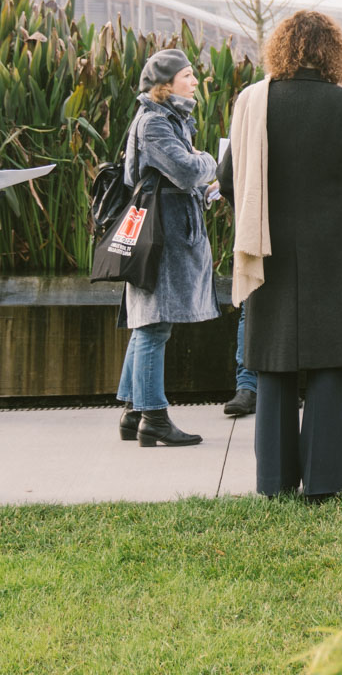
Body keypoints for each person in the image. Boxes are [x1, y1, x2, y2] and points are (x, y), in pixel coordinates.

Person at [222, 11, 342, 502]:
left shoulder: (253, 102)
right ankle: (324, 481)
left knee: (272, 363)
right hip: (332, 248)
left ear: (282, 48)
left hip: (265, 245)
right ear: (332, 53)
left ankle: (273, 481)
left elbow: (229, 180)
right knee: (327, 364)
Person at [114, 48, 219, 448]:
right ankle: (154, 418)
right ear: (166, 84)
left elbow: (181, 180)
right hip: (160, 237)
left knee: (149, 322)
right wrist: (208, 160)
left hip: (165, 230)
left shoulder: (169, 119)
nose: (195, 82)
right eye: (188, 75)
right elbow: (187, 168)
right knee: (154, 325)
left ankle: (133, 413)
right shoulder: (156, 122)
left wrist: (205, 189)